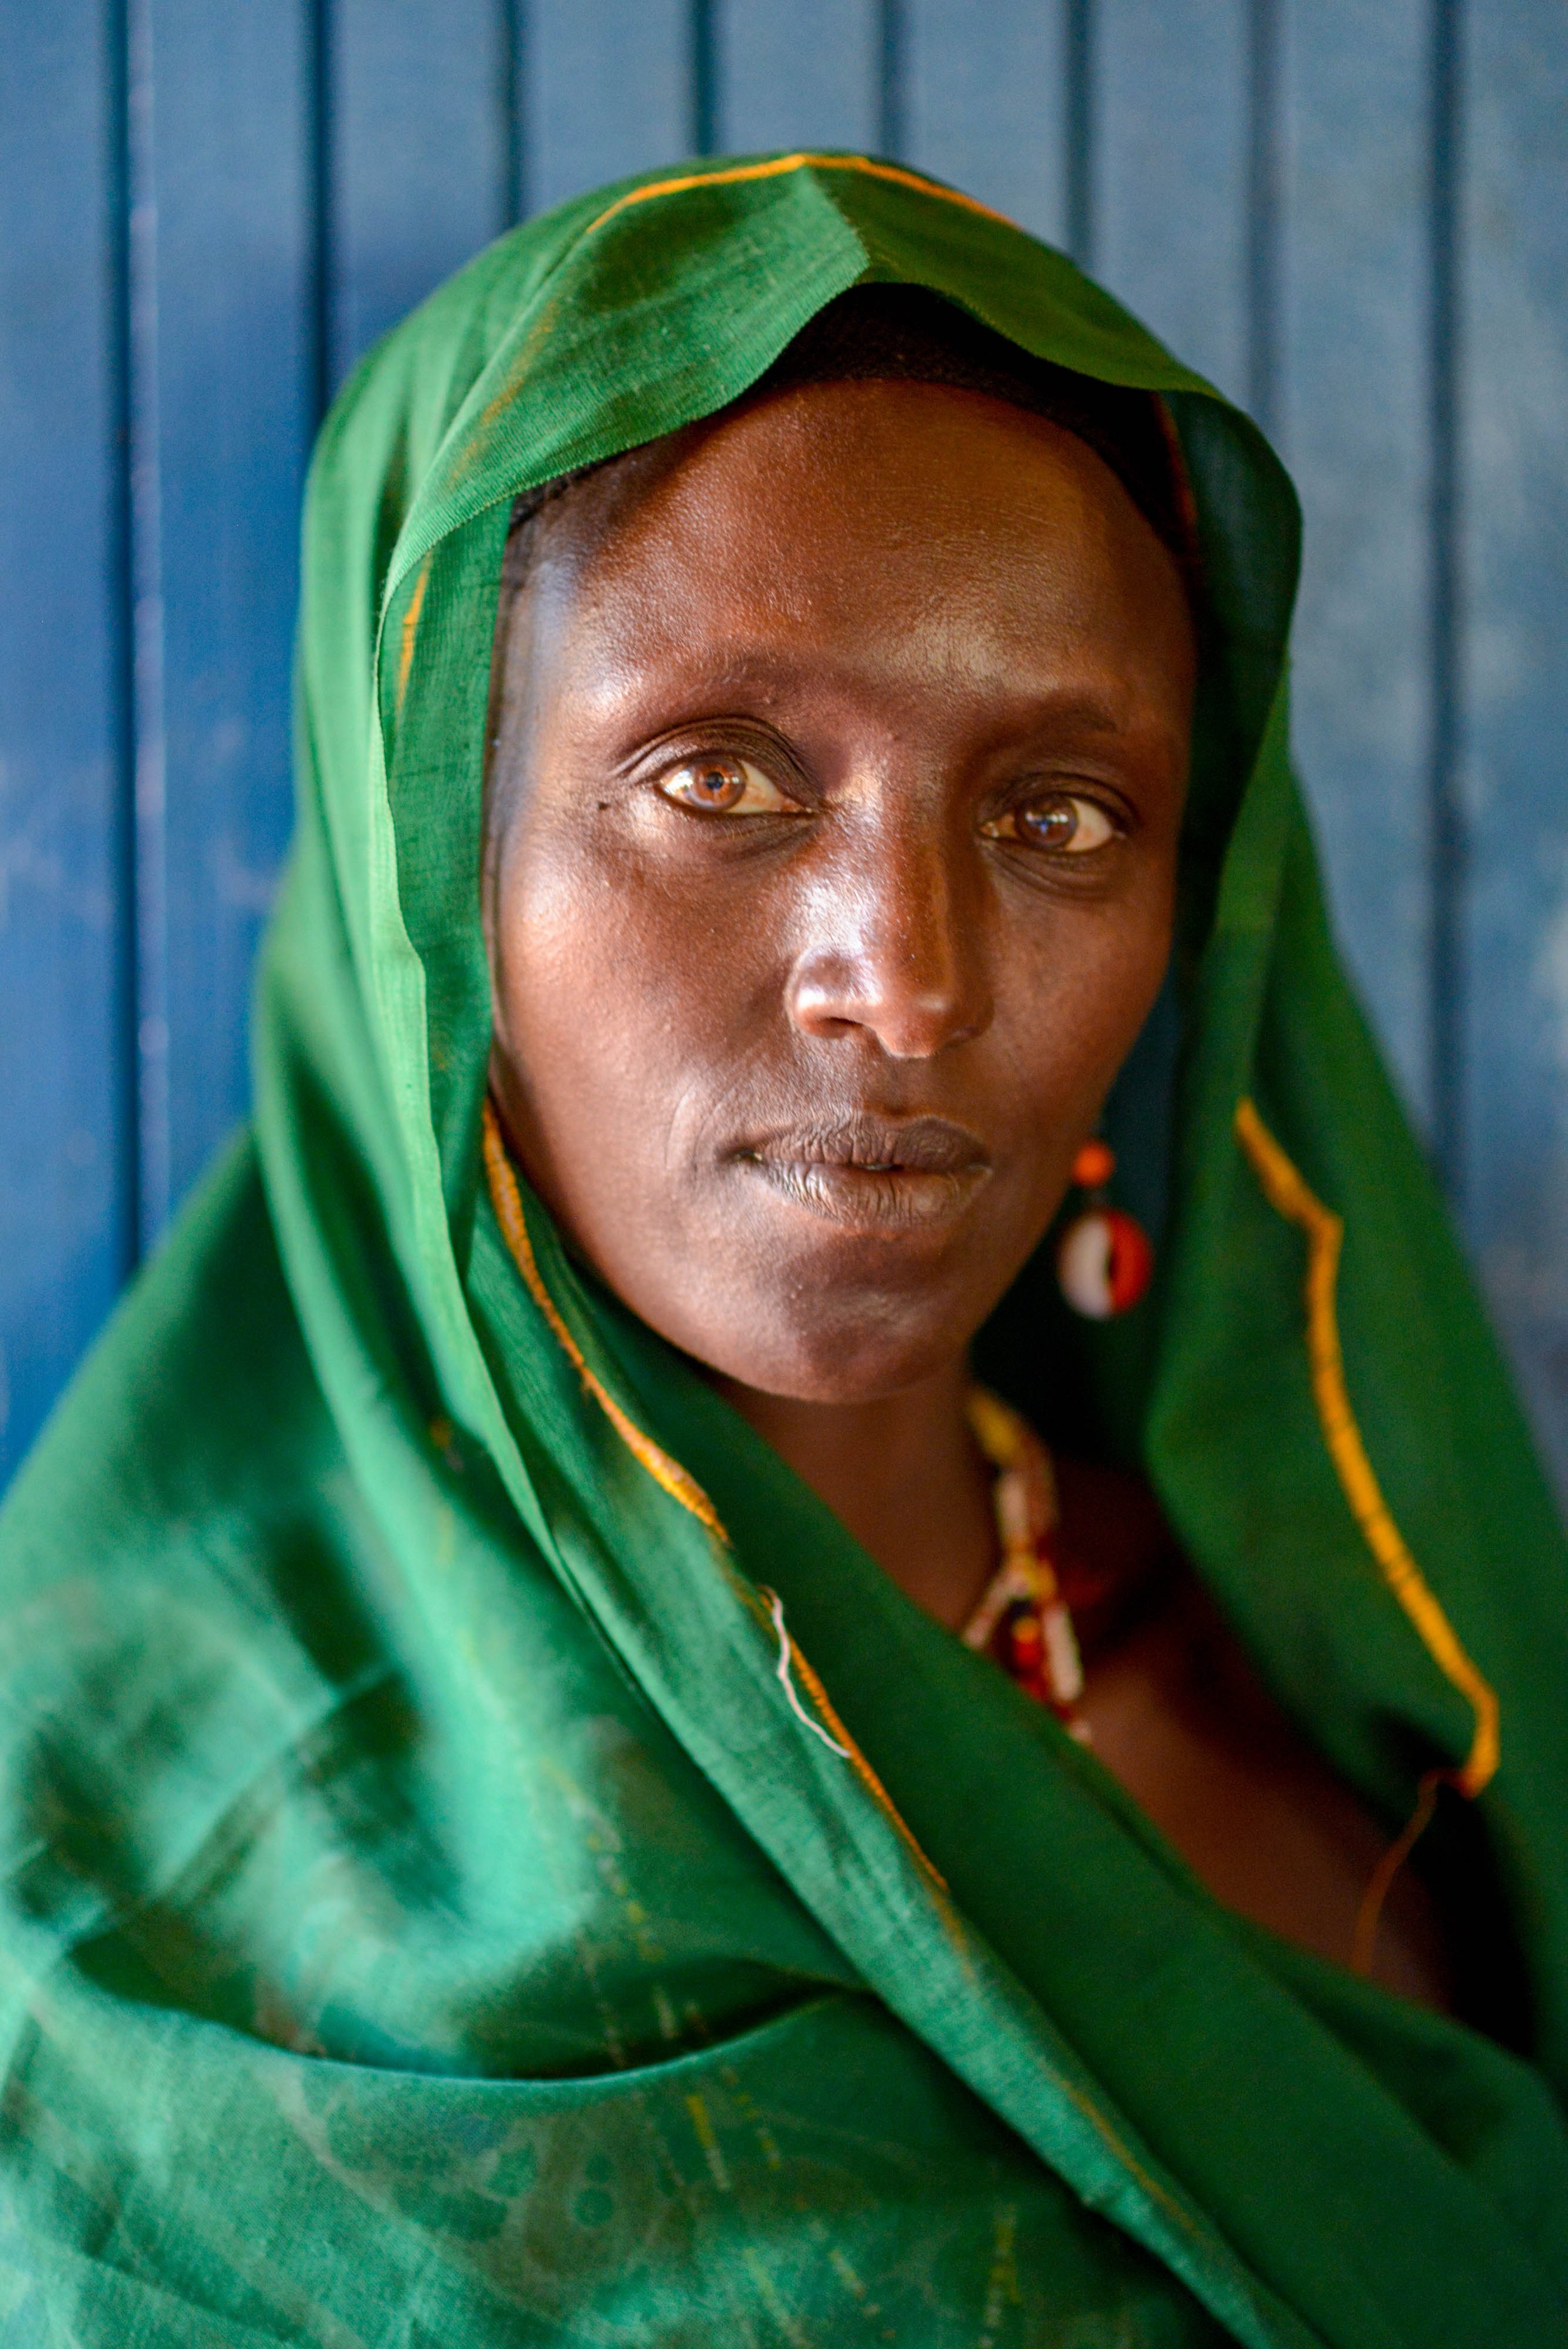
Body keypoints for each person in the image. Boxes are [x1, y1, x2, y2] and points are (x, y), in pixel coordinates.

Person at [1, 152, 1565, 2346]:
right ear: (423, 877)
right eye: (719, 779)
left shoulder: (1378, 1712)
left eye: (1059, 814)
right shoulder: (100, 1908)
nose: (903, 984)